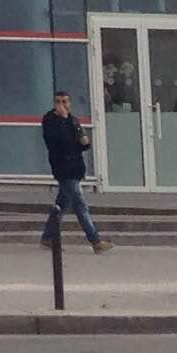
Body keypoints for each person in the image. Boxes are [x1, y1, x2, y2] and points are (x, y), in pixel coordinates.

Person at [39, 89, 109, 251]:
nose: (62, 105)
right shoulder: (50, 120)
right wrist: (64, 120)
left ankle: (47, 236)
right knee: (80, 205)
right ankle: (95, 241)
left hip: (76, 168)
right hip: (63, 168)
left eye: (65, 102)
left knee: (62, 205)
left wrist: (83, 140)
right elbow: (59, 141)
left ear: (70, 103)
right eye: (58, 101)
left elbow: (82, 144)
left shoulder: (73, 121)